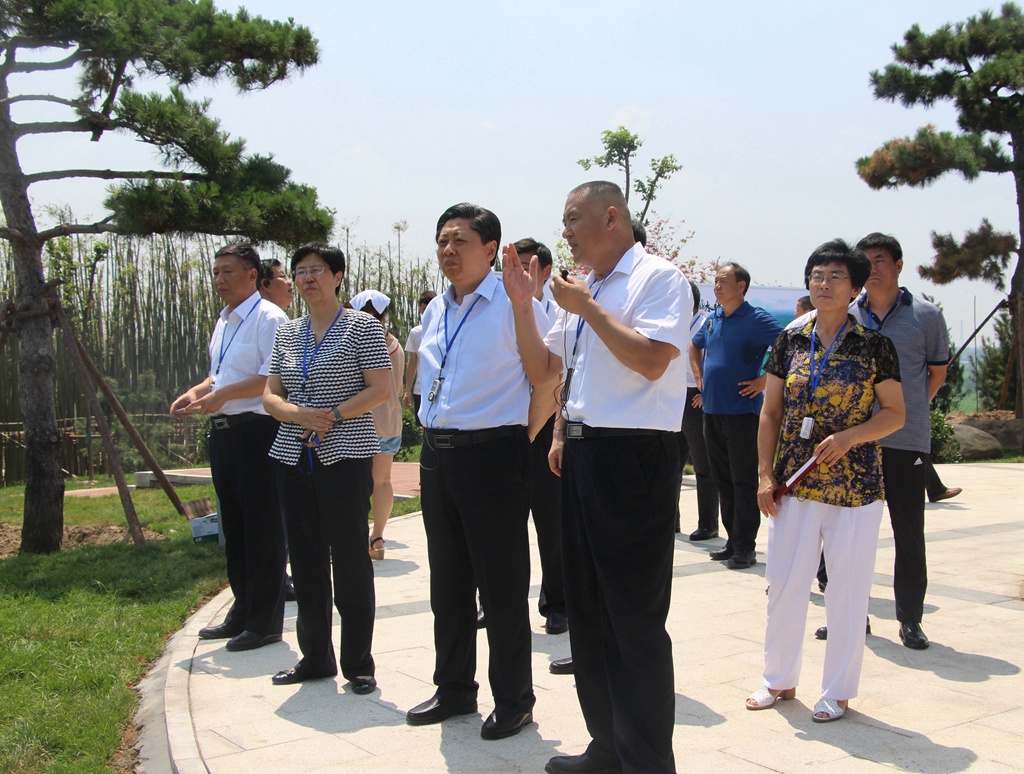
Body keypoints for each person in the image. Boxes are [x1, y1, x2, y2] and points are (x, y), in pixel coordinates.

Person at [504, 181, 691, 774]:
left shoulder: (657, 279)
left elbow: (652, 360)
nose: (564, 232)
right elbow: (546, 370)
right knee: (587, 611)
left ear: (611, 217)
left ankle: (647, 763)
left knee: (632, 618)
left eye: (572, 219)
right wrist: (522, 305)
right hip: (584, 454)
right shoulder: (587, 289)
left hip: (634, 456)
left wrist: (586, 308)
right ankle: (607, 747)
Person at [405, 203, 548, 741]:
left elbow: (547, 378)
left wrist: (520, 438)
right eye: (442, 241)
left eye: (460, 241)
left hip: (493, 455)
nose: (448, 250)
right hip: (437, 455)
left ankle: (514, 700)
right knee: (448, 581)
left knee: (501, 584)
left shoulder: (518, 303)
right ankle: (454, 689)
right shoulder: (436, 310)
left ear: (491, 249)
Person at [749, 239, 905, 723]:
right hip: (794, 483)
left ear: (855, 288)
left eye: (836, 276)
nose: (824, 283)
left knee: (847, 591)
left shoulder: (874, 346)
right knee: (783, 583)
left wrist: (851, 437)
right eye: (817, 275)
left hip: (854, 488)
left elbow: (895, 414)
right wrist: (765, 474)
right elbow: (770, 412)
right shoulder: (791, 340)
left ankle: (838, 690)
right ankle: (778, 678)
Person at [262, 242, 391, 694]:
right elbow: (270, 395)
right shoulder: (288, 333)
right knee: (305, 558)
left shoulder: (362, 327)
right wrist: (298, 414)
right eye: (300, 272)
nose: (307, 278)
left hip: (345, 455)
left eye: (317, 270)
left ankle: (358, 664)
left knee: (351, 558)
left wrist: (332, 415)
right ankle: (315, 656)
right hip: (293, 455)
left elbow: (381, 388)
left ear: (337, 277)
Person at [816, 232, 951, 650]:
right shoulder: (846, 312)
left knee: (908, 531)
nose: (872, 268)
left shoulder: (925, 315)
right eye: (866, 261)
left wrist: (904, 413)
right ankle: (848, 614)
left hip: (905, 440)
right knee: (844, 533)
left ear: (898, 266)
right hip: (851, 442)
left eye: (880, 260)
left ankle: (910, 619)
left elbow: (936, 373)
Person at [170, 243, 288, 652]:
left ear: (252, 276)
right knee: (234, 527)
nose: (219, 279)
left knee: (263, 527)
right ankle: (242, 608)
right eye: (216, 272)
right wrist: (197, 391)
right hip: (224, 433)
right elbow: (218, 375)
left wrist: (220, 395)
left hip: (258, 431)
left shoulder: (269, 318)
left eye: (228, 271)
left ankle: (265, 621)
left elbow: (270, 379)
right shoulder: (224, 320)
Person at [690, 263, 783, 569]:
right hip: (712, 411)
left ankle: (746, 547)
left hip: (742, 413)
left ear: (741, 286)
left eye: (723, 281)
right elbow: (694, 346)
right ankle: (732, 541)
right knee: (722, 479)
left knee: (743, 481)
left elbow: (788, 347)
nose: (716, 286)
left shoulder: (756, 319)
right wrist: (699, 375)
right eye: (715, 281)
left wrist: (764, 381)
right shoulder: (713, 318)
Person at [514, 237, 567, 636]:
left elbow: (559, 378)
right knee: (503, 522)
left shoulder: (561, 311)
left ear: (545, 272)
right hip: (507, 425)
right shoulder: (500, 308)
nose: (520, 273)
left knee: (551, 523)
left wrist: (550, 434)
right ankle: (497, 602)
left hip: (547, 426)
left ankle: (557, 604)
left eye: (528, 266)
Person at [349, 289, 405, 560]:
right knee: (382, 481)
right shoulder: (395, 346)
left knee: (354, 482)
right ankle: (378, 537)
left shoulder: (354, 342)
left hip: (357, 421)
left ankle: (353, 537)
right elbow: (398, 387)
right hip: (389, 421)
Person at [678, 281, 720, 540]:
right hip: (675, 395)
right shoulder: (675, 324)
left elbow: (716, 360)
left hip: (697, 397)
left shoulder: (706, 324)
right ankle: (672, 521)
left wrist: (707, 393)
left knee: (703, 464)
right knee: (673, 463)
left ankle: (708, 523)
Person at [402, 290, 437, 426]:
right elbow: (412, 362)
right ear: (420, 310)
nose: (427, 312)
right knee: (424, 426)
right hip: (421, 388)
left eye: (431, 308)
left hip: (441, 388)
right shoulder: (416, 333)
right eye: (424, 308)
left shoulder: (446, 330)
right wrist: (408, 391)